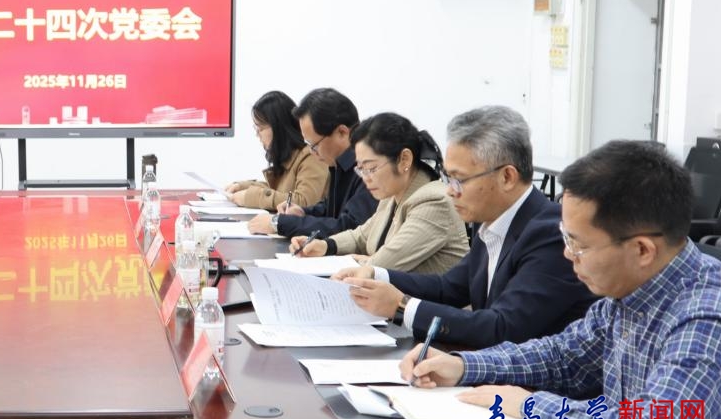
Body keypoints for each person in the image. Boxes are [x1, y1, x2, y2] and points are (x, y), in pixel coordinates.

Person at [403, 141, 721, 419]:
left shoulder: (705, 316)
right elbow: (563, 357)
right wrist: (462, 366)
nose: (568, 254)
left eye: (578, 244)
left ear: (642, 250)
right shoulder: (628, 293)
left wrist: (530, 405)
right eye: (565, 237)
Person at [332, 106, 596, 347]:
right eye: (448, 177)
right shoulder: (491, 220)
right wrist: (377, 276)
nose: (450, 190)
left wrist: (402, 306)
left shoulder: (549, 233)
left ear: (507, 177)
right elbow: (448, 288)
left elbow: (503, 327)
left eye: (459, 180)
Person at [293, 112, 466, 275]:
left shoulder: (434, 202)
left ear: (404, 159)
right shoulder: (392, 195)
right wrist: (325, 245)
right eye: (361, 169)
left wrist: (362, 260)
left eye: (371, 168)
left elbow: (383, 264)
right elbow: (361, 236)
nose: (365, 178)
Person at [247, 88, 376, 237]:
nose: (313, 152)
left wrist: (279, 223)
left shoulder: (368, 167)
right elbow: (331, 209)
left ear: (342, 132)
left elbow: (350, 227)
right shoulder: (340, 164)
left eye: (314, 145)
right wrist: (303, 212)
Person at [224, 91, 328, 211]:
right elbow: (277, 190)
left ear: (279, 127)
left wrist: (251, 197)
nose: (257, 134)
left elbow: (304, 201)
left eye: (260, 128)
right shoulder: (290, 158)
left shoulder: (311, 157)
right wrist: (243, 186)